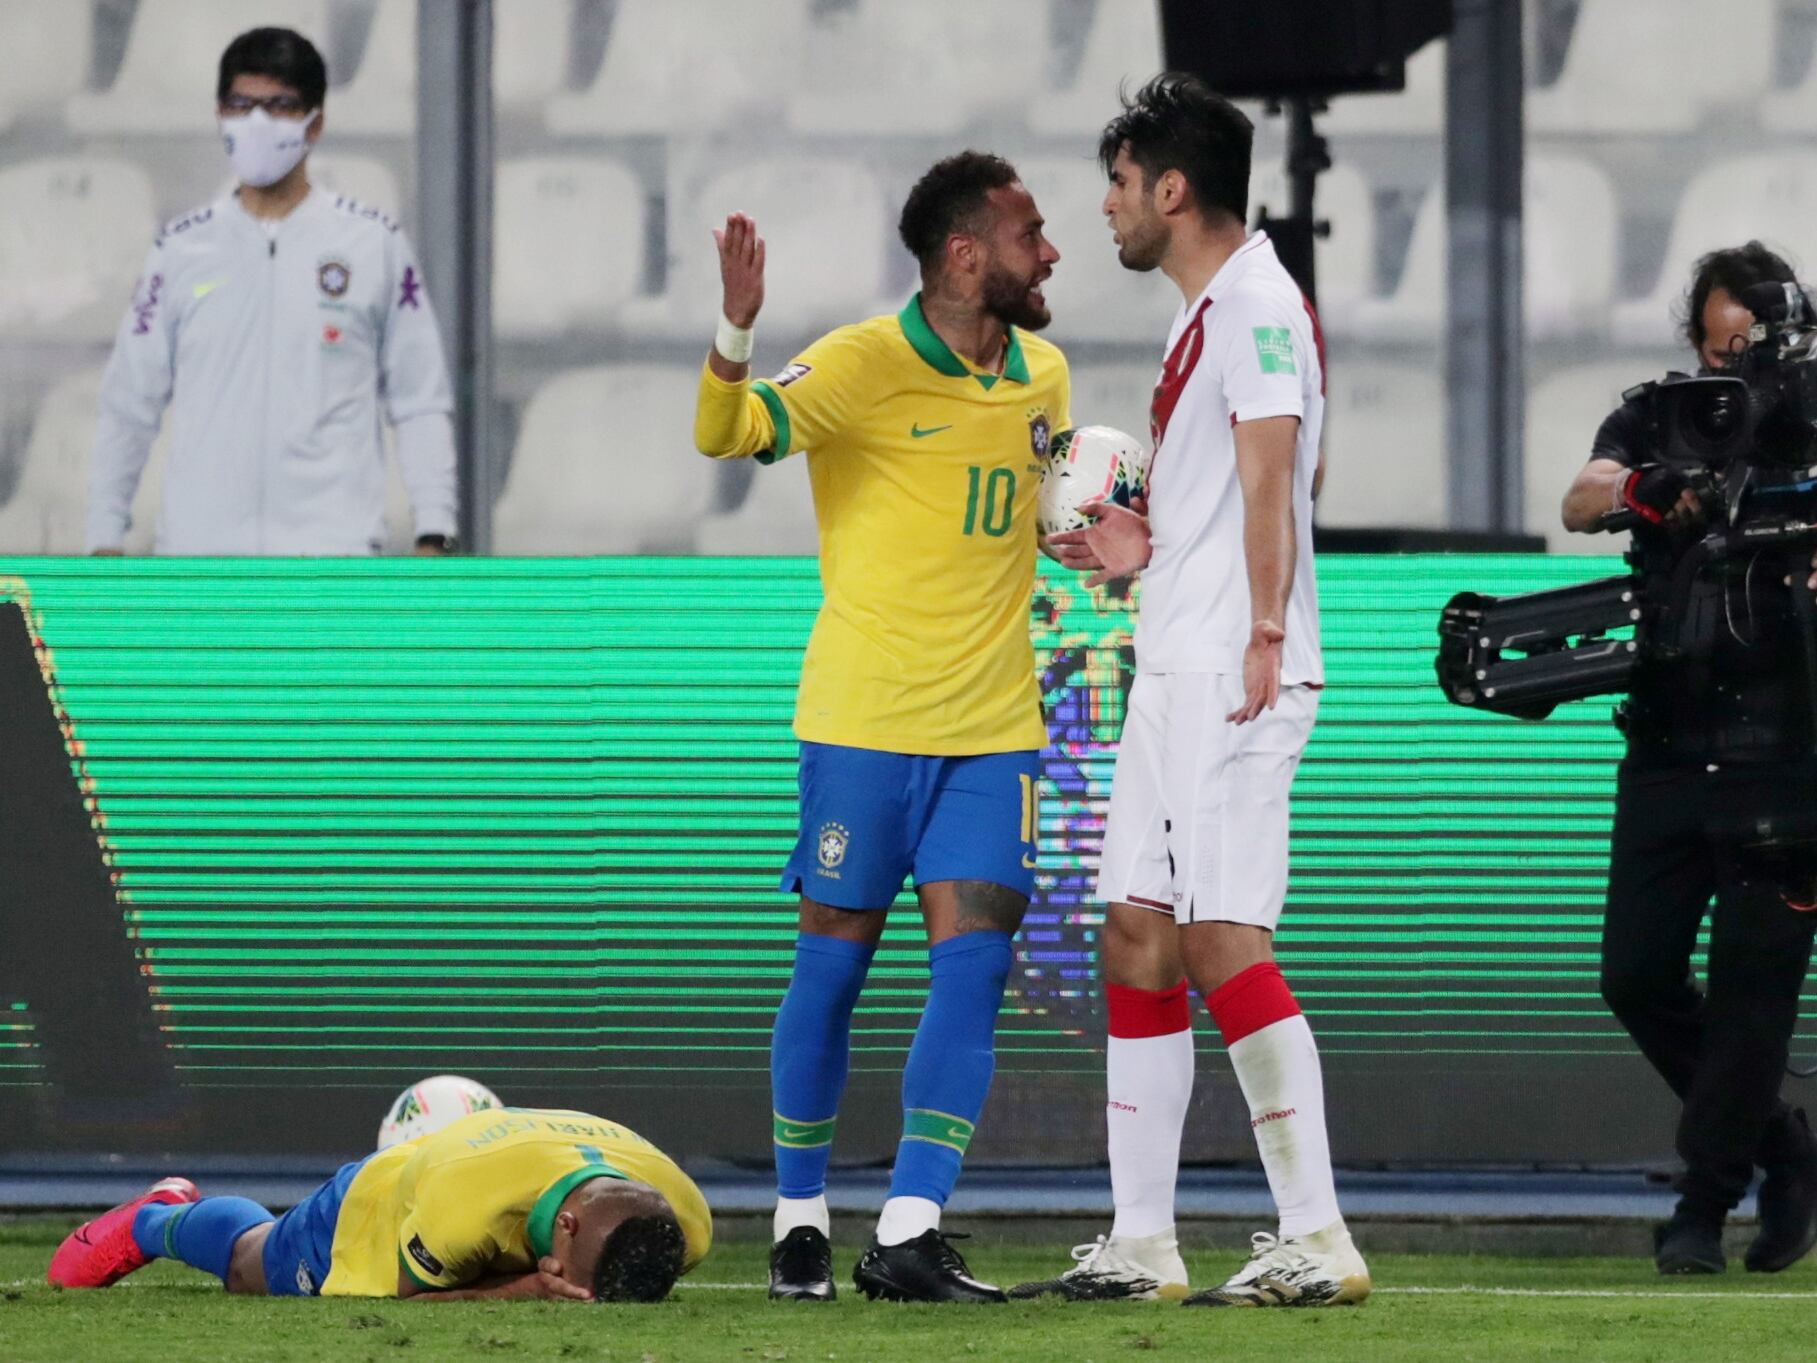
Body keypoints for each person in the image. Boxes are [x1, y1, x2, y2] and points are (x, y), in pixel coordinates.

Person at [692, 151, 1068, 1304]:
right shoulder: (857, 363)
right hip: (861, 722)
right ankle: (799, 1216)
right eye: (1027, 235)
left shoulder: (1043, 373)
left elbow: (1046, 518)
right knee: (832, 971)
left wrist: (1099, 531)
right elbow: (724, 433)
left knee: (974, 967)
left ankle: (908, 1227)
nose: (1048, 252)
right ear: (964, 255)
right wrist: (736, 329)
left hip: (993, 726)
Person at [1018, 74, 1367, 1308]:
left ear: (1170, 189)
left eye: (1116, 183)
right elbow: (1216, 498)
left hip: (1232, 663)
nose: (1105, 208)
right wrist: (1135, 549)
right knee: (1137, 931)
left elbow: (1270, 471)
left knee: (1222, 936)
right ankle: (1143, 1239)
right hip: (1178, 655)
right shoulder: (1200, 311)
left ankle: (1316, 1233)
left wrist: (1266, 627)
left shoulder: (1259, 302)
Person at [1559, 241, 1817, 1276]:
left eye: (1747, 354)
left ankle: (1704, 1205)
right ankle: (1784, 1150)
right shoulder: (1656, 415)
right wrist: (1644, 490)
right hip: (1666, 741)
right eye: (1715, 355)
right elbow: (1579, 496)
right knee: (1633, 972)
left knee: (1755, 984)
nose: (1731, 379)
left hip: (1789, 750)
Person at [86, 27, 459, 557]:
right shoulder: (178, 250)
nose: (258, 122)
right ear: (220, 114)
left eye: (281, 106)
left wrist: (436, 528)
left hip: (334, 564)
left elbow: (420, 399)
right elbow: (129, 403)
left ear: (316, 123)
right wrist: (104, 535)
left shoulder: (374, 244)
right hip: (200, 566)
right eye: (242, 104)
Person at [47, 1106, 711, 1301]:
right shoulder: (462, 1205)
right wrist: (518, 1291)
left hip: (492, 1170)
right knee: (252, 1265)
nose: (569, 1284)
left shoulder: (688, 1221)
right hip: (381, 1199)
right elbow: (406, 1298)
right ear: (565, 1223)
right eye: (570, 1271)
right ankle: (156, 1215)